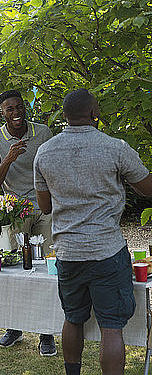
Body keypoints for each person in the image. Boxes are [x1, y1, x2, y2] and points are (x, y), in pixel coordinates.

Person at [34, 89, 152, 375]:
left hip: (68, 252)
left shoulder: (45, 151)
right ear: (95, 114)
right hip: (106, 251)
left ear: (64, 116)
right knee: (111, 326)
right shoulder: (115, 147)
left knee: (73, 318)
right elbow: (148, 189)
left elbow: (45, 206)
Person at [0, 89, 56, 355]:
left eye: (19, 107)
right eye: (9, 109)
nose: (16, 113)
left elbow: (54, 167)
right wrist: (9, 158)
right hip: (16, 211)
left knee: (48, 269)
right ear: (2, 112)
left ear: (25, 108)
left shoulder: (43, 133)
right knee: (14, 270)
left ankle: (47, 333)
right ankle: (14, 326)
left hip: (45, 207)